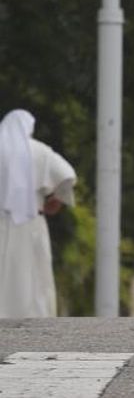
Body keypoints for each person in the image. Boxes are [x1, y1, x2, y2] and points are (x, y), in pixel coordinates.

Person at [0, 109, 77, 318]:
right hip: (31, 221)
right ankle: (36, 316)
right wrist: (56, 200)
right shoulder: (39, 151)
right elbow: (67, 175)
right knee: (33, 271)